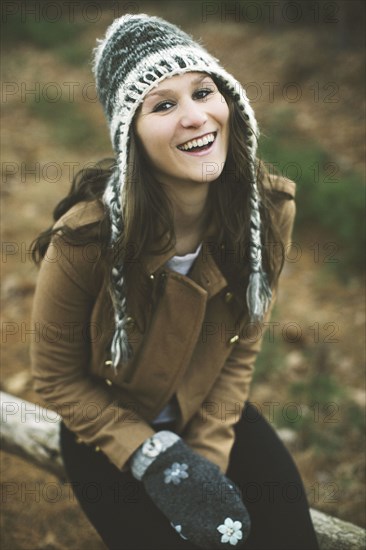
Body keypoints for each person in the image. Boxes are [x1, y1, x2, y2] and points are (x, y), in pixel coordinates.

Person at [30, 14, 319, 550]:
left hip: (208, 405)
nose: (195, 117)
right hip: (109, 429)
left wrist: (205, 457)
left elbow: (241, 346)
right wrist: (154, 456)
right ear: (129, 136)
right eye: (162, 105)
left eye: (203, 92)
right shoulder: (85, 240)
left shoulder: (266, 212)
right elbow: (56, 378)